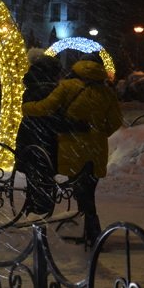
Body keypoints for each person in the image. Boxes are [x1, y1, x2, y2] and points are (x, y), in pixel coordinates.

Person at [22, 56, 123, 247]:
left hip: (72, 147)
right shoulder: (107, 92)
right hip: (97, 149)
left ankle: (92, 233)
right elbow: (116, 121)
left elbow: (46, 107)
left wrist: (27, 108)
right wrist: (98, 132)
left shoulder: (67, 86)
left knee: (81, 191)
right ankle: (91, 232)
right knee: (88, 191)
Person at [15, 49, 63, 215]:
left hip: (30, 134)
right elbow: (54, 112)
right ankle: (41, 214)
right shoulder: (52, 89)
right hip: (46, 135)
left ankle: (34, 210)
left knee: (34, 174)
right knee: (45, 175)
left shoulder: (32, 84)